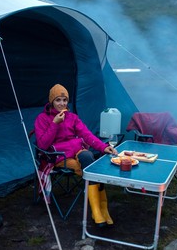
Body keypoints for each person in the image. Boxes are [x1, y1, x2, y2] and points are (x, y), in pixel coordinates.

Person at [34, 84, 117, 227]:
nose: (62, 103)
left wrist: (104, 147)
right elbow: (42, 145)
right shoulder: (42, 118)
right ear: (51, 101)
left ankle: (102, 208)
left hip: (76, 151)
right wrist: (54, 124)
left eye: (64, 100)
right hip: (59, 157)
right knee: (91, 169)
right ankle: (96, 210)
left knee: (89, 160)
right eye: (58, 100)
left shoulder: (72, 117)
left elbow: (86, 134)